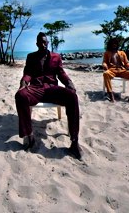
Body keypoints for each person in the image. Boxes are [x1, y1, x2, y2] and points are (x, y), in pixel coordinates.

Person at [15, 32, 82, 160]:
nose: (43, 44)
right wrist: (23, 83)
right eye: (40, 42)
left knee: (72, 96)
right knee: (20, 95)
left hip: (52, 89)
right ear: (37, 44)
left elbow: (61, 73)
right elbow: (28, 73)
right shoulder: (31, 57)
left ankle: (74, 141)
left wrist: (69, 83)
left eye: (45, 42)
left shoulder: (56, 57)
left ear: (48, 43)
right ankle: (30, 136)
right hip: (36, 89)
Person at [102, 38, 129, 102]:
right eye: (113, 44)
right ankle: (111, 95)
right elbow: (104, 62)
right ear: (110, 45)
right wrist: (104, 65)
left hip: (122, 70)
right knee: (105, 74)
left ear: (117, 45)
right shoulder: (107, 53)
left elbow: (127, 62)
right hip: (112, 70)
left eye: (115, 44)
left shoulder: (122, 53)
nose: (114, 45)